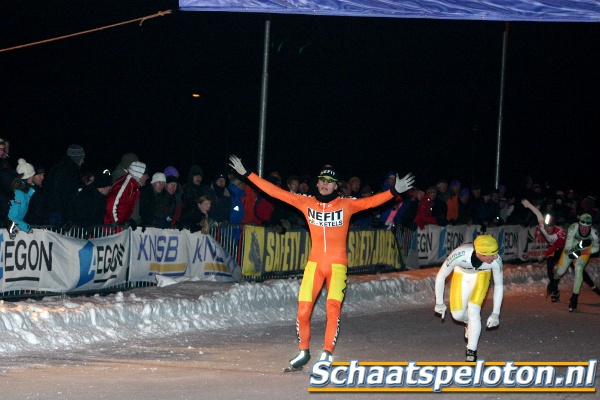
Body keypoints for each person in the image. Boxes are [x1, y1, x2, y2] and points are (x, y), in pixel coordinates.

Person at [228, 155, 414, 369]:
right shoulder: (306, 202)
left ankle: (326, 352)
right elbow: (274, 192)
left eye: (329, 182)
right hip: (314, 265)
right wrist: (246, 173)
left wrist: (394, 191)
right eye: (322, 181)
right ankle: (303, 351)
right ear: (317, 183)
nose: (325, 185)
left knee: (332, 308)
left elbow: (371, 202)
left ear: (336, 186)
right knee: (303, 311)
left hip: (337, 266)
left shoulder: (346, 205)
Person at [434, 235, 504, 362]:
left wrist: (495, 313)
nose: (496, 257)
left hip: (482, 276)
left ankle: (471, 349)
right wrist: (439, 303)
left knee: (473, 309)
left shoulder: (496, 260)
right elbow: (441, 276)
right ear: (481, 253)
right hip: (461, 274)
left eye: (496, 253)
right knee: (457, 315)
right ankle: (470, 323)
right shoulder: (459, 254)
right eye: (492, 255)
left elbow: (499, 285)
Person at [547, 213, 600, 311]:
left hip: (584, 251)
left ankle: (574, 298)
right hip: (572, 249)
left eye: (587, 227)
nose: (584, 230)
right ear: (579, 225)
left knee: (579, 269)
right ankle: (554, 281)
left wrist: (585, 250)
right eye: (582, 227)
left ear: (591, 227)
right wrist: (578, 247)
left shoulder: (594, 234)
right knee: (560, 271)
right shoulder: (573, 228)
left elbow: (597, 248)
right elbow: (567, 250)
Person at [45, 144, 85, 226]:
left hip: (56, 211)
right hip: (60, 214)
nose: (83, 161)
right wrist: (68, 216)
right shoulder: (68, 171)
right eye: (82, 158)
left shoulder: (60, 168)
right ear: (76, 158)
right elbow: (65, 195)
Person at [104, 161, 147, 227]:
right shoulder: (124, 185)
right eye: (146, 174)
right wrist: (114, 222)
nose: (147, 177)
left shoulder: (134, 186)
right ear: (139, 174)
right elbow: (111, 204)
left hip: (120, 226)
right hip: (112, 228)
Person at [7, 159, 36, 239]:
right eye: (32, 175)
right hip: (9, 231)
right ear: (28, 177)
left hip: (15, 229)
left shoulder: (25, 192)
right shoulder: (18, 194)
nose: (33, 177)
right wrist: (26, 227)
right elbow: (11, 217)